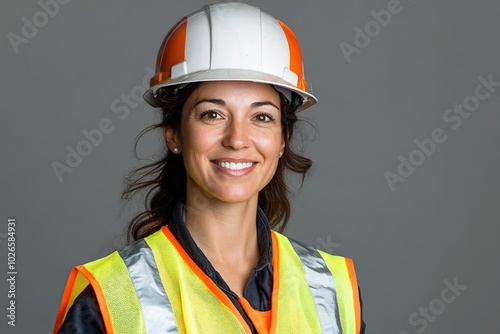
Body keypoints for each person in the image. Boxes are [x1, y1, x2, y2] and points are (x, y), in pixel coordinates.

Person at [53, 2, 365, 333]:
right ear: (173, 133)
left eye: (261, 117)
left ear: (283, 139)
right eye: (212, 114)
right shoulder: (110, 295)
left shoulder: (331, 289)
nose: (237, 139)